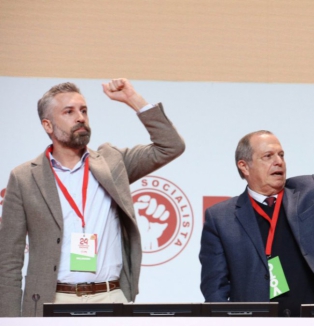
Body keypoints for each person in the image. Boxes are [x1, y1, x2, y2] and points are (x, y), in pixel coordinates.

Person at [0, 79, 185, 317]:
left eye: (84, 110)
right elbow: (8, 260)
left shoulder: (113, 162)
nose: (80, 117)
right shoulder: (24, 177)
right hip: (52, 301)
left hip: (111, 297)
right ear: (48, 125)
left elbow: (171, 146)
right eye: (69, 112)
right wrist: (9, 320)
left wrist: (133, 99)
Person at [199, 104, 314, 316]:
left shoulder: (310, 191)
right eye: (268, 156)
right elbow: (215, 287)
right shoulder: (221, 217)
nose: (279, 162)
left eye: (281, 155)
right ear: (244, 166)